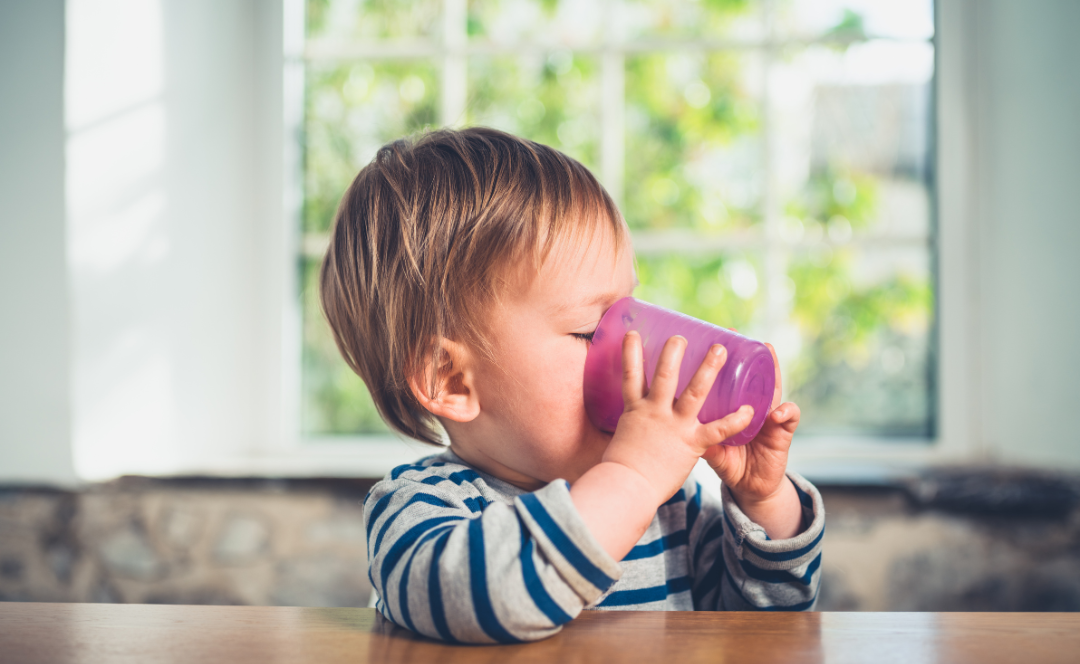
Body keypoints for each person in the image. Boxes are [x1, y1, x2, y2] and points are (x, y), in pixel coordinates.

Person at [320, 127, 824, 644]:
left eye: (631, 316)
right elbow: (493, 602)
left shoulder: (676, 508)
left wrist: (765, 502)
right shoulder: (419, 511)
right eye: (591, 331)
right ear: (451, 380)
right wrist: (633, 477)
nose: (632, 354)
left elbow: (768, 625)